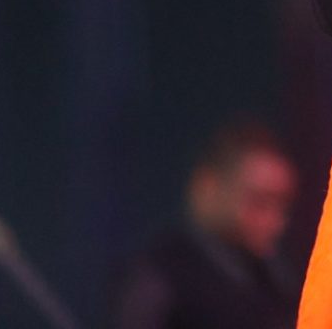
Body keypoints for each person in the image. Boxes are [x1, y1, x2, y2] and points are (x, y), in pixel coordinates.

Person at [110, 123, 299, 329]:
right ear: (208, 187)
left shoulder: (277, 282)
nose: (276, 221)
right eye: (259, 201)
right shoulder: (162, 276)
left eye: (282, 205)